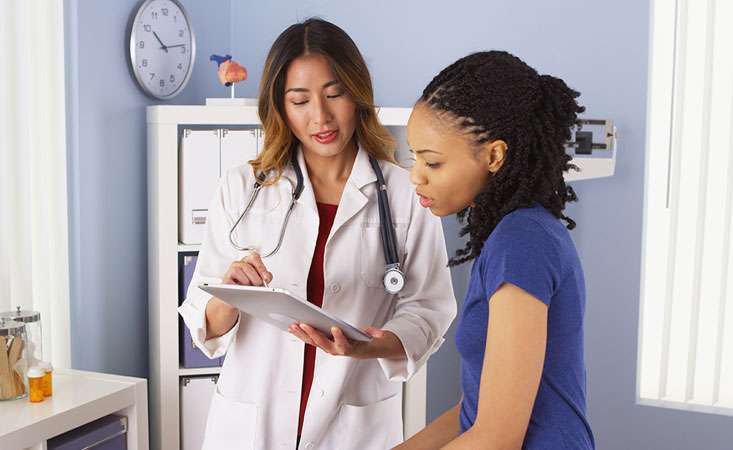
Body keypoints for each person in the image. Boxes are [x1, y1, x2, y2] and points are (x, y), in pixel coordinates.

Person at [178, 18, 456, 450]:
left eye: (334, 94)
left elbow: (430, 308)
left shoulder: (404, 192)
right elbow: (205, 323)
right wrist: (227, 292)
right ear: (280, 106)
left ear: (357, 94)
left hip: (353, 423)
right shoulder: (242, 188)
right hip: (252, 423)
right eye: (300, 100)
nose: (320, 117)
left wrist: (372, 346)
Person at [397, 51, 594, 449]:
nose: (415, 174)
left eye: (433, 163)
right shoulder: (511, 235)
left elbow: (496, 438)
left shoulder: (522, 241)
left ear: (494, 156)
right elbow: (475, 409)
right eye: (415, 156)